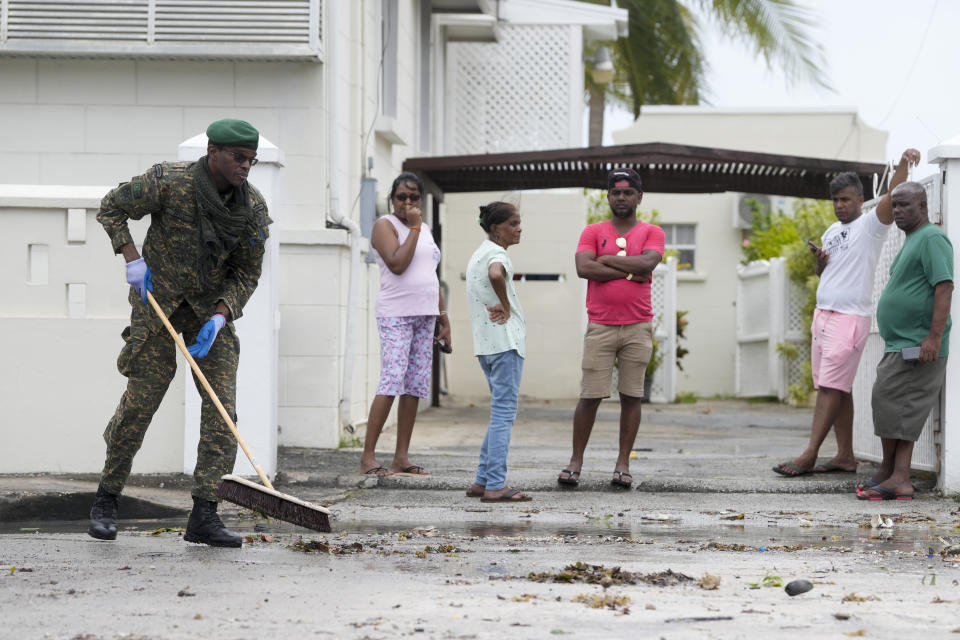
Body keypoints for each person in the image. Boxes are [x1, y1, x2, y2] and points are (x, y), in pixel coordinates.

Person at [88, 119, 272, 547]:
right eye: (238, 158)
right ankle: (107, 499)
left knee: (222, 410)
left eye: (252, 160)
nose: (246, 166)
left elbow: (247, 270)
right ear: (213, 152)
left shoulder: (253, 210)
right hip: (159, 301)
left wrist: (222, 315)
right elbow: (111, 206)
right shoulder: (169, 182)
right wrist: (132, 257)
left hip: (209, 311)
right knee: (141, 403)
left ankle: (204, 514)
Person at [773, 149, 921, 477]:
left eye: (846, 199)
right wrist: (819, 264)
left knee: (830, 387)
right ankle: (844, 456)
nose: (840, 205)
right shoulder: (830, 231)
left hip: (849, 317)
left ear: (860, 199)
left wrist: (903, 163)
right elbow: (825, 274)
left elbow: (892, 193)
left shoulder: (870, 224)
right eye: (835, 200)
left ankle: (809, 454)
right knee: (839, 388)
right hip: (823, 315)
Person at [558, 168, 664, 489]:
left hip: (638, 326)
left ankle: (623, 464)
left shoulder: (652, 232)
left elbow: (648, 264)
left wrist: (605, 261)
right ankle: (575, 462)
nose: (621, 198)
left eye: (628, 192)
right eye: (615, 192)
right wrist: (630, 269)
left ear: (639, 197)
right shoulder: (592, 230)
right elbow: (582, 267)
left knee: (631, 396)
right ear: (608, 196)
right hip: (600, 325)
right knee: (590, 396)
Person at [858, 181, 952, 500]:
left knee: (904, 407)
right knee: (885, 402)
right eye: (895, 206)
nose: (897, 211)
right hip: (901, 344)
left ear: (923, 207)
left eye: (905, 206)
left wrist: (933, 337)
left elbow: (944, 287)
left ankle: (901, 477)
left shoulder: (932, 238)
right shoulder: (913, 239)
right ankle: (888, 470)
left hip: (919, 345)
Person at [360, 172, 451, 477]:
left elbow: (430, 274)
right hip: (396, 314)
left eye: (414, 197)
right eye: (402, 197)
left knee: (414, 386)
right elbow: (398, 264)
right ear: (392, 199)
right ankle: (368, 457)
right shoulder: (385, 225)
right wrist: (412, 227)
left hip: (426, 314)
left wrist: (444, 317)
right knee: (392, 380)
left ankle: (401, 457)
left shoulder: (424, 229)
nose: (408, 202)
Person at [464, 201, 531, 503]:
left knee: (498, 414)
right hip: (505, 343)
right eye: (513, 224)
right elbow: (495, 275)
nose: (519, 229)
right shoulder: (496, 253)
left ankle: (482, 480)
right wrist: (505, 304)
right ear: (496, 228)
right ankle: (495, 485)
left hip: (486, 346)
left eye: (519, 223)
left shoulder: (478, 252)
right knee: (504, 414)